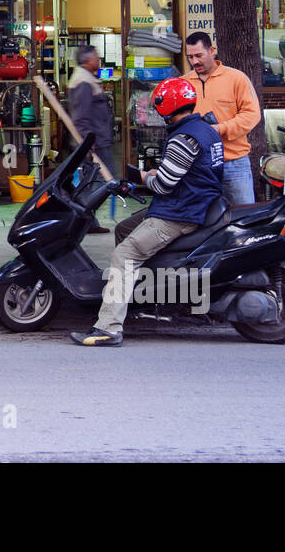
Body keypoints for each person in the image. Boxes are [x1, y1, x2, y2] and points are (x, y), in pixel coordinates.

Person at [74, 77, 224, 347]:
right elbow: (186, 173)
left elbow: (165, 186)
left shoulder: (183, 138)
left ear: (167, 107)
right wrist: (157, 174)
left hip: (179, 213)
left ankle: (108, 327)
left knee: (124, 255)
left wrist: (144, 177)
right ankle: (130, 297)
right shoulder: (205, 129)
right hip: (191, 203)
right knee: (123, 229)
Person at [181, 31, 261, 206]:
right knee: (202, 221)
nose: (194, 61)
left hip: (234, 164)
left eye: (199, 55)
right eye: (190, 57)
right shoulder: (183, 83)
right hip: (199, 166)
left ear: (212, 50)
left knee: (242, 218)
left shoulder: (236, 78)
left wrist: (221, 129)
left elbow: (252, 114)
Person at [67, 45, 114, 232]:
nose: (99, 59)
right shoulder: (83, 82)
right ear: (87, 60)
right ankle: (82, 220)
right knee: (98, 183)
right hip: (93, 144)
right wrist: (88, 143)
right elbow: (81, 117)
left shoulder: (87, 78)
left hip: (96, 141)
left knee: (93, 183)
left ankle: (87, 222)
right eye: (96, 56)